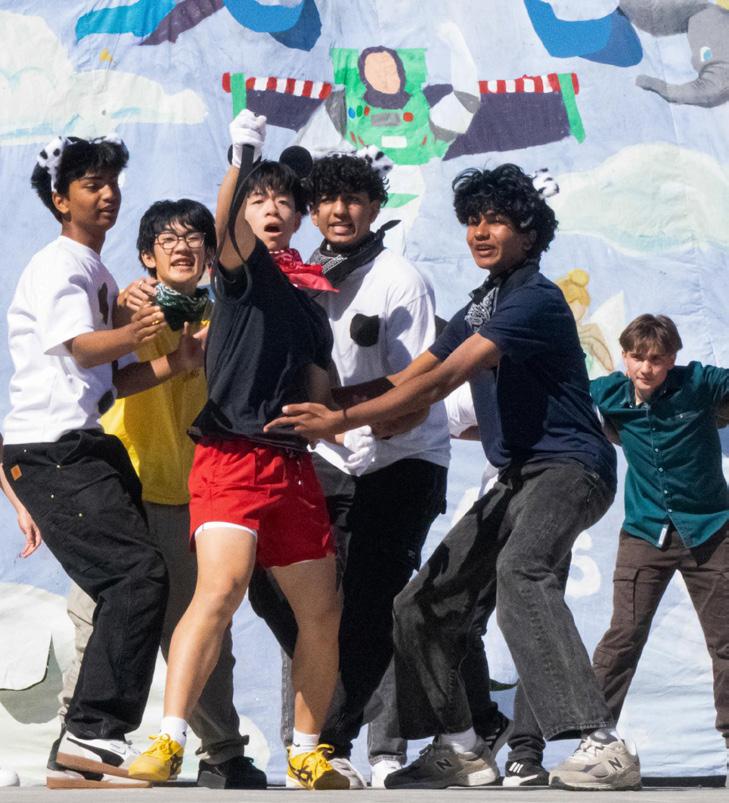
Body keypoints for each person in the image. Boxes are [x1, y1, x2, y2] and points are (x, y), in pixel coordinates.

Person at [266, 163, 641, 792]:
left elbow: (441, 382)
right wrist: (329, 401)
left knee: (521, 571)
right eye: (472, 221)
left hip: (571, 467)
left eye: (496, 221)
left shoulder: (533, 299)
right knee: (420, 606)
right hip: (517, 477)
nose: (480, 232)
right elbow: (411, 375)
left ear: (530, 233)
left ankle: (602, 744)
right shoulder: (484, 302)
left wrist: (340, 420)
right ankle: (465, 747)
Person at [127, 111, 347, 791]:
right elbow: (222, 230)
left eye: (283, 200)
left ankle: (307, 751)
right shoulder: (242, 272)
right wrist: (240, 159)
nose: (271, 209)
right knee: (219, 590)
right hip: (229, 457)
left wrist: (345, 418)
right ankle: (168, 740)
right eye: (259, 199)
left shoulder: (312, 305)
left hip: (292, 466)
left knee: (322, 611)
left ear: (300, 217)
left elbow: (322, 393)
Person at [248, 148, 458, 788]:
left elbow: (419, 390)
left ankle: (327, 744)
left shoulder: (400, 279)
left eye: (355, 199)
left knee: (369, 606)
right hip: (326, 459)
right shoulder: (301, 277)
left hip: (402, 459)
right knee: (274, 586)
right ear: (312, 211)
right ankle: (327, 724)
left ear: (375, 207)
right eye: (328, 200)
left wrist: (346, 418)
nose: (340, 211)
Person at [1, 135, 203, 789]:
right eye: (92, 184)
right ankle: (91, 730)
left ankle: (84, 744)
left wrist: (178, 360)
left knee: (132, 580)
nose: (108, 193)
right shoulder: (58, 265)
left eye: (113, 181)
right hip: (52, 450)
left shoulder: (97, 271)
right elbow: (85, 349)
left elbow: (111, 381)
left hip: (83, 444)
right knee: (137, 575)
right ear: (61, 199)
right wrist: (135, 327)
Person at [51, 199, 266, 790]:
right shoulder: (125, 309)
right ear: (147, 256)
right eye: (167, 240)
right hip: (118, 487)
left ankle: (222, 751)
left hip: (195, 492)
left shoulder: (225, 316)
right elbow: (97, 370)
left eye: (195, 237)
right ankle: (76, 741)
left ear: (210, 254)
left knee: (202, 627)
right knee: (99, 620)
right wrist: (130, 316)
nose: (183, 247)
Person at [589, 314, 729, 785]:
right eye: (638, 358)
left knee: (726, 642)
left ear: (672, 359)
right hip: (646, 533)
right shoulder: (607, 393)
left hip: (711, 530)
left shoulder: (699, 383)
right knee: (622, 637)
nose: (646, 368)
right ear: (624, 357)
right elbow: (558, 402)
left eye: (657, 359)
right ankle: (595, 742)